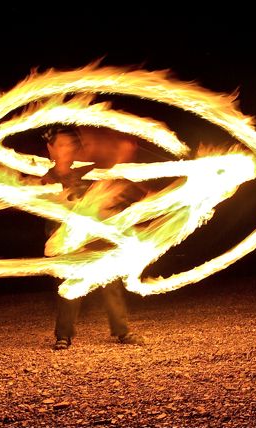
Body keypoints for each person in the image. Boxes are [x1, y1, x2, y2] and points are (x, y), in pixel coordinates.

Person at [41, 125, 147, 350]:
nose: (68, 149)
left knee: (110, 283)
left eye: (71, 145)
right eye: (62, 145)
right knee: (70, 287)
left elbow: (111, 186)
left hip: (96, 237)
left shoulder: (86, 173)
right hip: (68, 243)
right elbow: (50, 211)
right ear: (51, 149)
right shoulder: (47, 180)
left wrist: (123, 151)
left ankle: (122, 331)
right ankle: (63, 335)